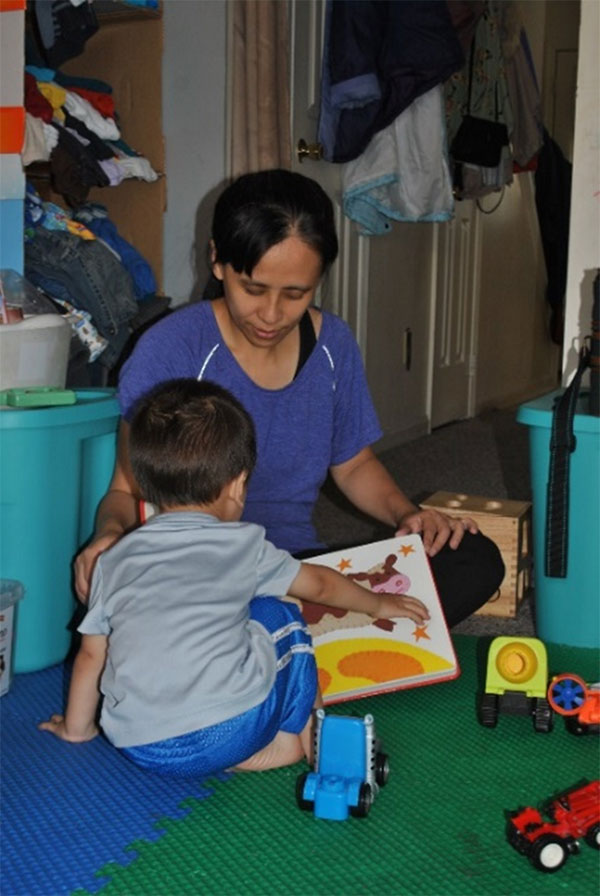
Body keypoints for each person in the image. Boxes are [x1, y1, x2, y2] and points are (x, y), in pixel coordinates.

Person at [74, 168, 503, 626]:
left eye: (296, 294)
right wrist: (110, 537)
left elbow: (354, 464)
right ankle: (301, 645)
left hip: (298, 569)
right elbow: (124, 490)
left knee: (473, 558)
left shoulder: (333, 345)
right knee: (132, 613)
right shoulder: (172, 349)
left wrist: (410, 515)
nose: (272, 315)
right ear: (218, 261)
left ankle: (274, 648)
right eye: (253, 289)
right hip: (196, 574)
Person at [40, 380, 429, 776]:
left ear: (144, 486)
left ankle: (230, 752)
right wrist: (379, 602)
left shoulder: (113, 559)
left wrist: (77, 729)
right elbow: (322, 586)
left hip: (141, 745)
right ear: (238, 485)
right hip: (229, 730)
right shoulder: (244, 545)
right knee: (281, 614)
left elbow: (91, 656)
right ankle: (313, 739)